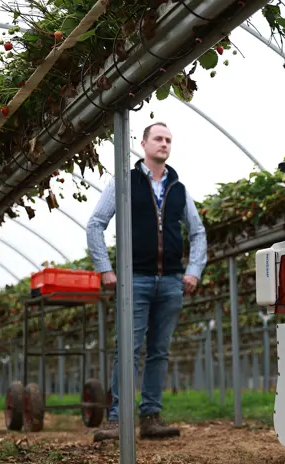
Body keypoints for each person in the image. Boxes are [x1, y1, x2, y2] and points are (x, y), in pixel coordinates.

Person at [86, 122, 207, 442]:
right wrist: (105, 269)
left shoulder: (179, 189)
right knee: (127, 348)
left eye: (169, 139)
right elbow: (95, 223)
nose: (164, 144)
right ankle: (117, 419)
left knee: (159, 351)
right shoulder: (124, 182)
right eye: (158, 138)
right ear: (143, 144)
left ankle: (150, 417)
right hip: (134, 279)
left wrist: (193, 269)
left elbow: (197, 232)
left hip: (170, 282)